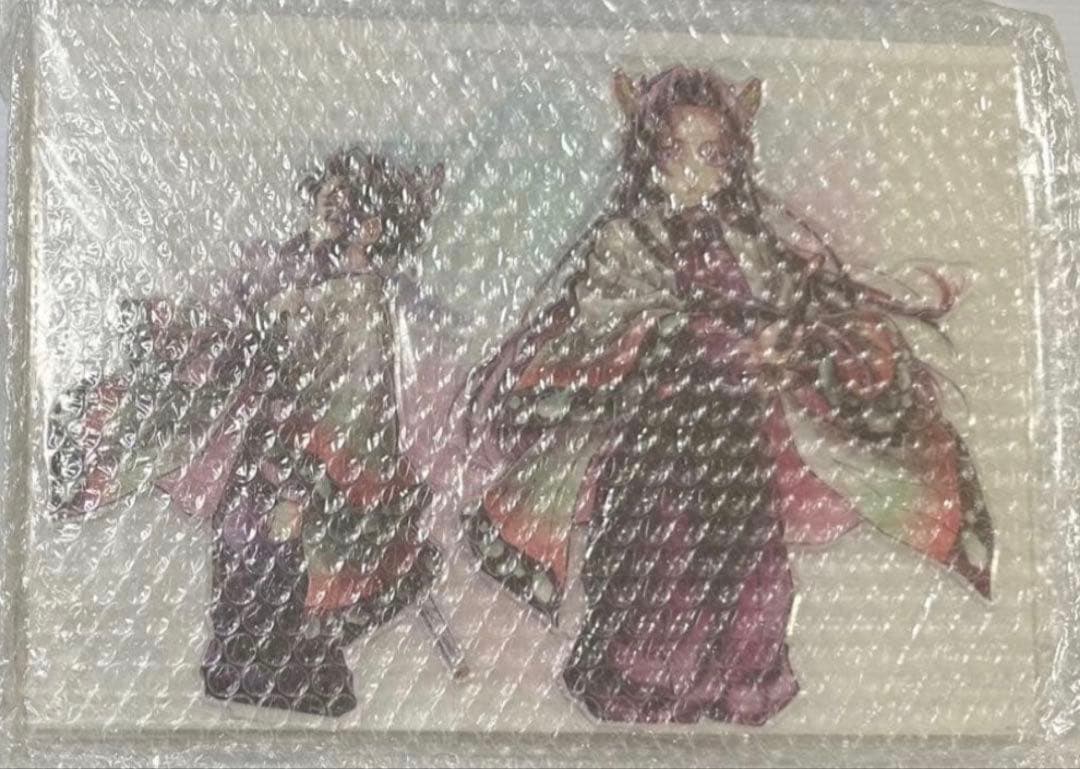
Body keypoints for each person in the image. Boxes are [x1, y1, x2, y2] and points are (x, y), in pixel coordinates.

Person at [464, 66, 994, 725]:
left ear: (732, 162)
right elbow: (608, 322)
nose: (693, 171)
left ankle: (739, 685)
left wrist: (787, 343)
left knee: (747, 572)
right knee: (657, 570)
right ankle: (644, 685)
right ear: (649, 157)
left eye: (711, 154)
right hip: (658, 442)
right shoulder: (624, 240)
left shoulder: (750, 242)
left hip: (736, 439)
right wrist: (690, 335)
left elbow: (789, 305)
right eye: (676, 151)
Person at [46, 148, 459, 717]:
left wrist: (307, 480)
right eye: (327, 195)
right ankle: (243, 663)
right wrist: (182, 325)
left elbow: (356, 408)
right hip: (260, 448)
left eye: (349, 205)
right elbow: (229, 317)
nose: (330, 207)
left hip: (310, 468)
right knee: (243, 549)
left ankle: (276, 666)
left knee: (274, 558)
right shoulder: (286, 265)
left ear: (372, 228)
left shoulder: (361, 299)